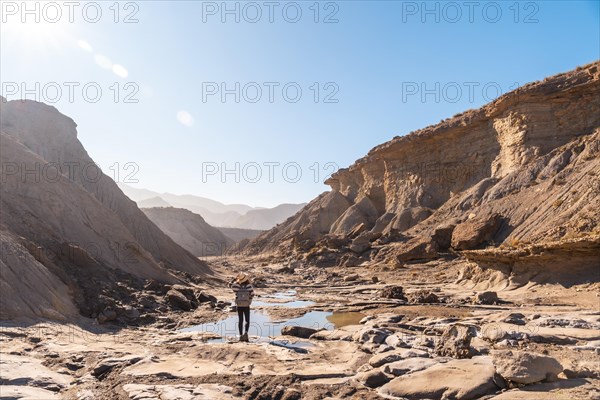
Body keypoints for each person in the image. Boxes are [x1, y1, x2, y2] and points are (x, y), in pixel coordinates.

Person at [228, 273, 254, 342]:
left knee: (240, 321)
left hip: (239, 306)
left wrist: (234, 279)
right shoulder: (249, 286)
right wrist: (249, 299)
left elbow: (229, 285)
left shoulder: (236, 286)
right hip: (246, 305)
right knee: (247, 321)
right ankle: (246, 333)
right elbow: (252, 294)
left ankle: (240, 335)